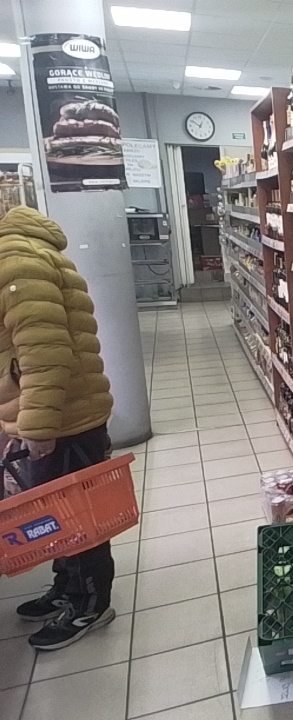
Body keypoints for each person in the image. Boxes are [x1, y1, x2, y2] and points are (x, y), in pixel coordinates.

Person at [0, 206, 115, 650]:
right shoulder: (24, 253)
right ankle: (67, 588)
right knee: (55, 517)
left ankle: (90, 603)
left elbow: (45, 352)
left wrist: (38, 425)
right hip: (60, 415)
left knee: (79, 520)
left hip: (65, 420)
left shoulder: (16, 261)